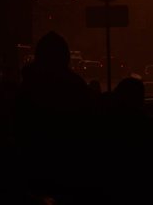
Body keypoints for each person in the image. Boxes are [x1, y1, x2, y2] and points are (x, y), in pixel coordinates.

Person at [13, 31, 101, 200]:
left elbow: (20, 127)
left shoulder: (28, 87)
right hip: (71, 172)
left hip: (35, 172)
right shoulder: (75, 87)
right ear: (65, 57)